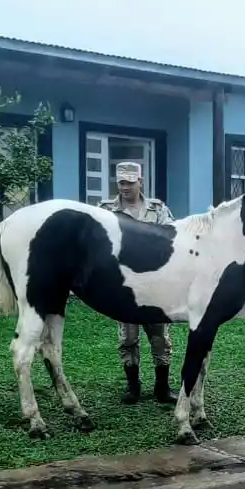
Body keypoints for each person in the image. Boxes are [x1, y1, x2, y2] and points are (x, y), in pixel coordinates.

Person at [98, 161, 178, 405]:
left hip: (155, 285)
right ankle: (133, 386)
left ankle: (162, 388)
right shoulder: (106, 210)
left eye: (130, 183)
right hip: (125, 285)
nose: (125, 187)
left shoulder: (157, 210)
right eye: (121, 182)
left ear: (140, 182)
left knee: (160, 338)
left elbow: (172, 239)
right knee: (128, 338)